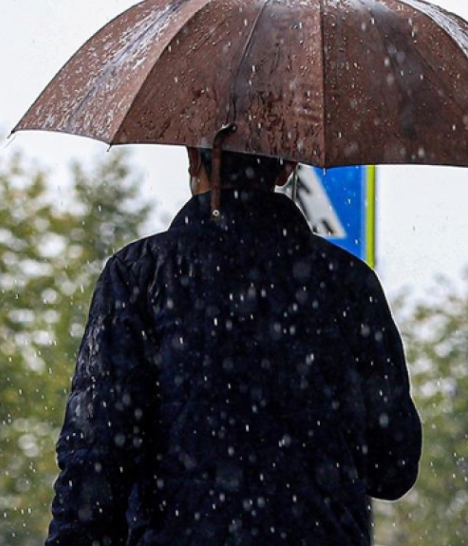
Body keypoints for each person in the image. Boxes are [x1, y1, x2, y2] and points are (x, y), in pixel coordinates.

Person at [44, 147, 422, 546]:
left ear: (193, 158)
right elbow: (393, 466)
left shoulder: (140, 275)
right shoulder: (349, 285)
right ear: (287, 168)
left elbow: (95, 456)